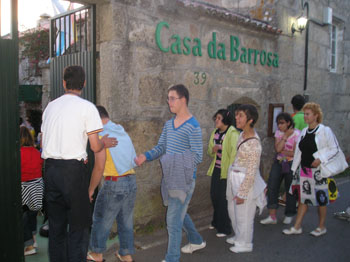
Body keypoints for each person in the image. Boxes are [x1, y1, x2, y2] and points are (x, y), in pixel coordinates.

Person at [41, 65, 117, 262]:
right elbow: (94, 146)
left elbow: (43, 142)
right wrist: (103, 143)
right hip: (73, 173)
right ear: (84, 83)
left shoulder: (50, 106)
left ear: (64, 83)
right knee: (79, 228)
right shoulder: (87, 108)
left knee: (56, 229)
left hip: (50, 170)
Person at [134, 84, 205, 262]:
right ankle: (196, 240)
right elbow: (161, 147)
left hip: (184, 181)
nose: (168, 102)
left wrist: (175, 163)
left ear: (183, 100)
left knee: (173, 220)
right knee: (179, 212)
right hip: (170, 179)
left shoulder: (193, 125)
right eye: (168, 98)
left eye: (172, 98)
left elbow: (198, 156)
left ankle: (172, 258)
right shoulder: (168, 124)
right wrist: (145, 156)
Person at [87, 106, 137, 262]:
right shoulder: (120, 130)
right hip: (131, 181)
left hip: (115, 183)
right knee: (125, 221)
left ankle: (96, 254)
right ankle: (126, 254)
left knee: (101, 219)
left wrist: (91, 189)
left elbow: (99, 167)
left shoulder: (103, 134)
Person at [283, 102, 340, 237]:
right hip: (304, 170)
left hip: (318, 171)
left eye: (308, 114)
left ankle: (321, 227)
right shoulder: (304, 132)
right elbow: (299, 152)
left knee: (321, 200)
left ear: (316, 115)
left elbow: (334, 149)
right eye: (305, 114)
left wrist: (321, 159)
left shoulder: (324, 131)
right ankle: (297, 226)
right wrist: (294, 168)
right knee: (303, 199)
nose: (305, 117)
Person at [226, 104, 266, 253]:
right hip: (234, 177)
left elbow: (251, 171)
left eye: (240, 115)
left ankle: (245, 243)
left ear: (250, 120)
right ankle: (238, 236)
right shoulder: (242, 135)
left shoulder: (255, 144)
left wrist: (242, 193)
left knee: (245, 214)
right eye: (236, 115)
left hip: (245, 182)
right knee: (233, 210)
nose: (236, 118)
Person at [260, 113, 299, 225]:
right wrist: (285, 137)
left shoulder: (297, 134)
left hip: (291, 163)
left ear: (288, 122)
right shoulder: (279, 133)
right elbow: (277, 149)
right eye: (278, 123)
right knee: (272, 186)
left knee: (290, 189)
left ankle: (289, 214)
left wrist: (283, 150)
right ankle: (272, 215)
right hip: (279, 162)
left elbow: (294, 152)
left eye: (282, 123)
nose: (279, 125)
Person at [207, 109, 239, 237]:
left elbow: (234, 154)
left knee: (223, 199)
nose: (216, 120)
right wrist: (213, 150)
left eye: (219, 118)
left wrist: (231, 172)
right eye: (216, 118)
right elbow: (209, 151)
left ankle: (225, 228)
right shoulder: (214, 133)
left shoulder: (232, 133)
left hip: (227, 171)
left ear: (225, 120)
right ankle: (216, 222)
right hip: (216, 169)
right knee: (214, 196)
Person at [20, 126, 44, 256]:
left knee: (23, 216)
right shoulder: (36, 153)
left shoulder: (17, 152)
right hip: (37, 185)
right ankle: (33, 240)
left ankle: (29, 246)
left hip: (23, 186)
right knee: (32, 214)